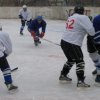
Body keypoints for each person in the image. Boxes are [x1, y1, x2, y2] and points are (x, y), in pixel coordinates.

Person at [59, 5, 95, 87]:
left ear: (75, 11)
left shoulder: (71, 17)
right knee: (80, 61)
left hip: (64, 41)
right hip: (73, 43)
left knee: (71, 59)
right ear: (83, 11)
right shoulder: (84, 17)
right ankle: (80, 81)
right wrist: (89, 21)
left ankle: (63, 75)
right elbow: (92, 32)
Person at [0, 25, 18, 91]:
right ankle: (9, 84)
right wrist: (5, 55)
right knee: (5, 69)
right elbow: (9, 49)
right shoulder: (3, 34)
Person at [87, 14, 100, 86]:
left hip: (93, 39)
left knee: (95, 55)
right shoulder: (96, 17)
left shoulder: (96, 17)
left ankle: (99, 72)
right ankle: (98, 67)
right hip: (93, 39)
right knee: (92, 54)